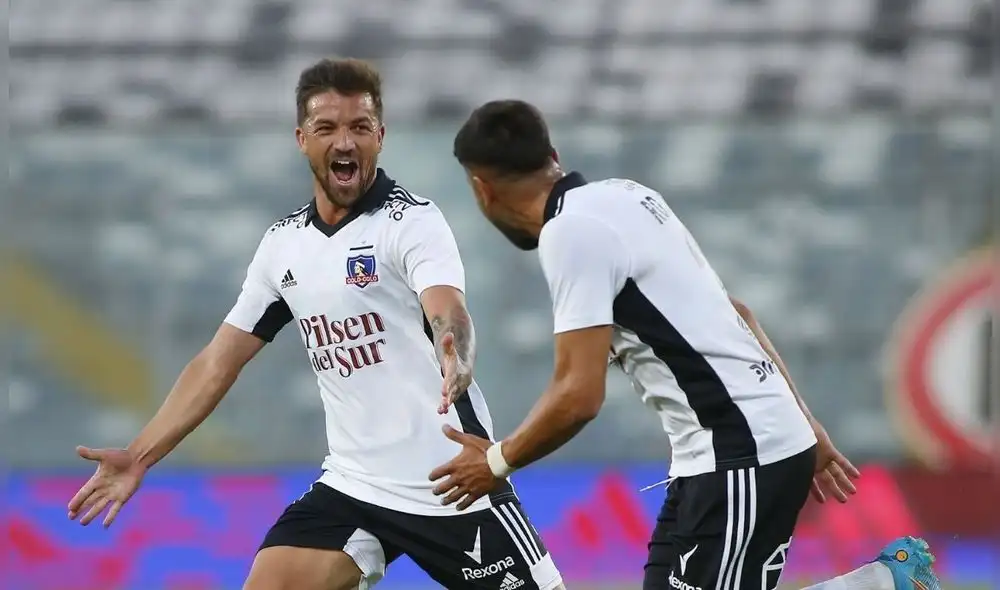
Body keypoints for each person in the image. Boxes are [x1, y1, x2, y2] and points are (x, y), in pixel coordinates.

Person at [66, 61, 564, 590]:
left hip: (452, 480)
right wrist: (140, 455)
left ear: (381, 137)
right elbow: (219, 361)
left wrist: (455, 351)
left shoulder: (412, 222)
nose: (344, 142)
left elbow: (448, 310)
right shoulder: (284, 246)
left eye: (359, 127)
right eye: (327, 129)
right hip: (356, 485)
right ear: (302, 139)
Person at [430, 99, 942, 590]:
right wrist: (805, 423)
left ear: (482, 190)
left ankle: (884, 582)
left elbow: (578, 395)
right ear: (553, 157)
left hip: (739, 457)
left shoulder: (570, 235)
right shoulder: (629, 195)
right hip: (728, 456)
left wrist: (496, 462)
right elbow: (736, 313)